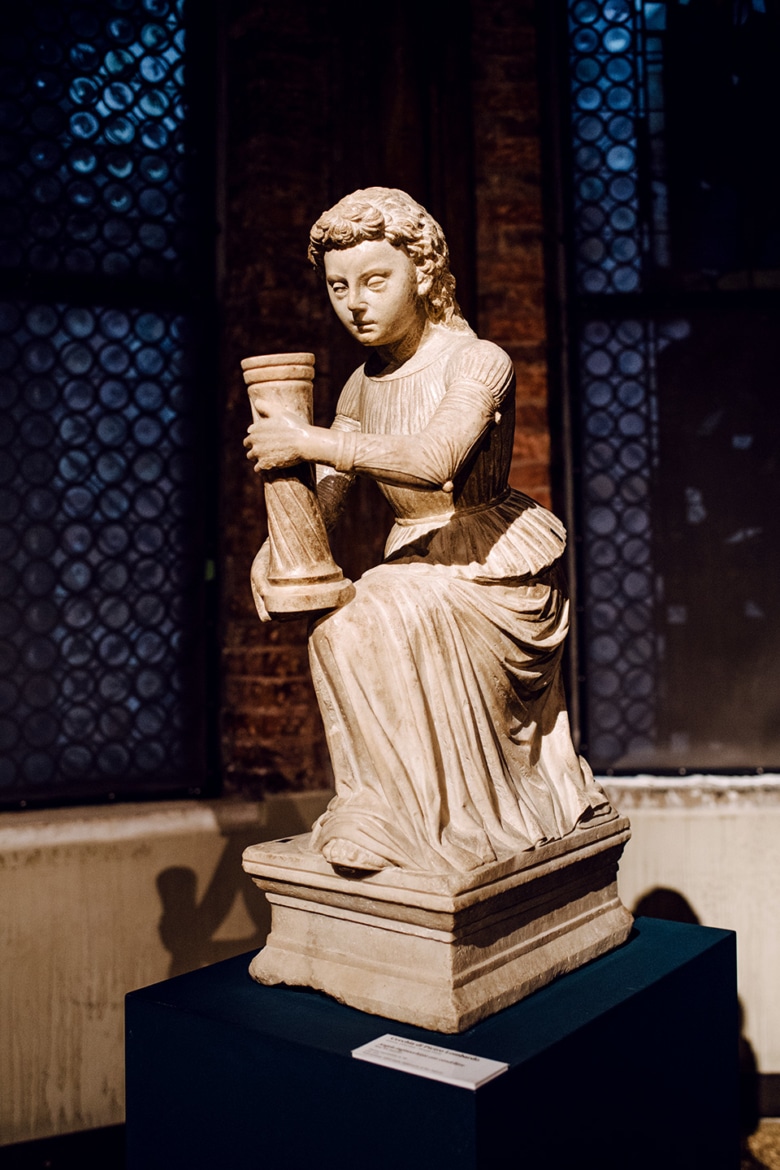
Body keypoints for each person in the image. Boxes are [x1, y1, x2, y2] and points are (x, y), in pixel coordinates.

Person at [243, 187, 613, 874]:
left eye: (375, 281)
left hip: (490, 568)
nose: (355, 302)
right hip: (412, 564)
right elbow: (330, 500)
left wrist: (308, 439)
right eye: (338, 286)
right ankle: (379, 811)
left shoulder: (478, 362)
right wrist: (277, 551)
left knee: (370, 618)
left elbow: (433, 461)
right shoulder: (359, 384)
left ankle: (449, 819)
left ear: (424, 272)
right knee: (336, 628)